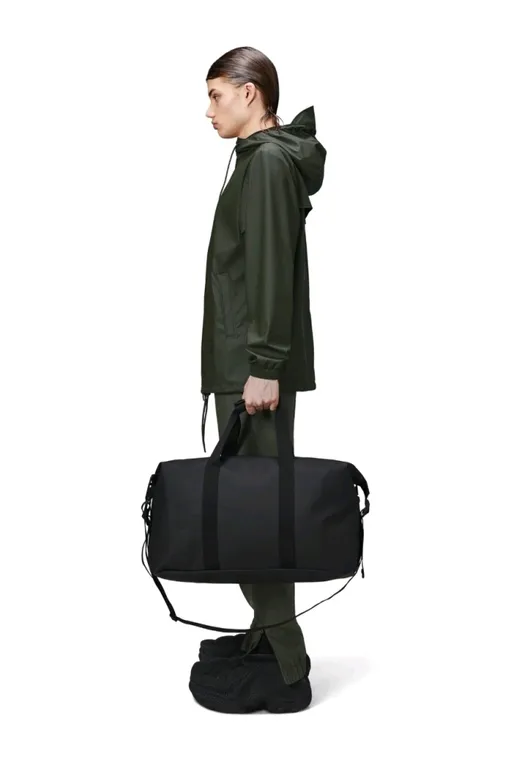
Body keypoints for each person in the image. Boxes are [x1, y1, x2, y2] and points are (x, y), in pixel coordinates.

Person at [188, 46, 326, 714]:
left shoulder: (267, 164)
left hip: (250, 371)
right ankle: (265, 639)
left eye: (216, 94)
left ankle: (285, 666)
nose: (208, 109)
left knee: (253, 514)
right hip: (242, 364)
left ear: (250, 93)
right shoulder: (256, 160)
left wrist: (264, 368)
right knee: (253, 506)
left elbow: (270, 268)